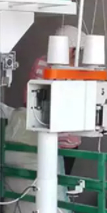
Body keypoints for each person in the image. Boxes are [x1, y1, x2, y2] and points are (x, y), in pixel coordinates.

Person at [26, 25, 86, 175]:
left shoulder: (41, 63)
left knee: (52, 180)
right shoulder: (74, 70)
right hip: (53, 139)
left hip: (55, 139)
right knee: (53, 181)